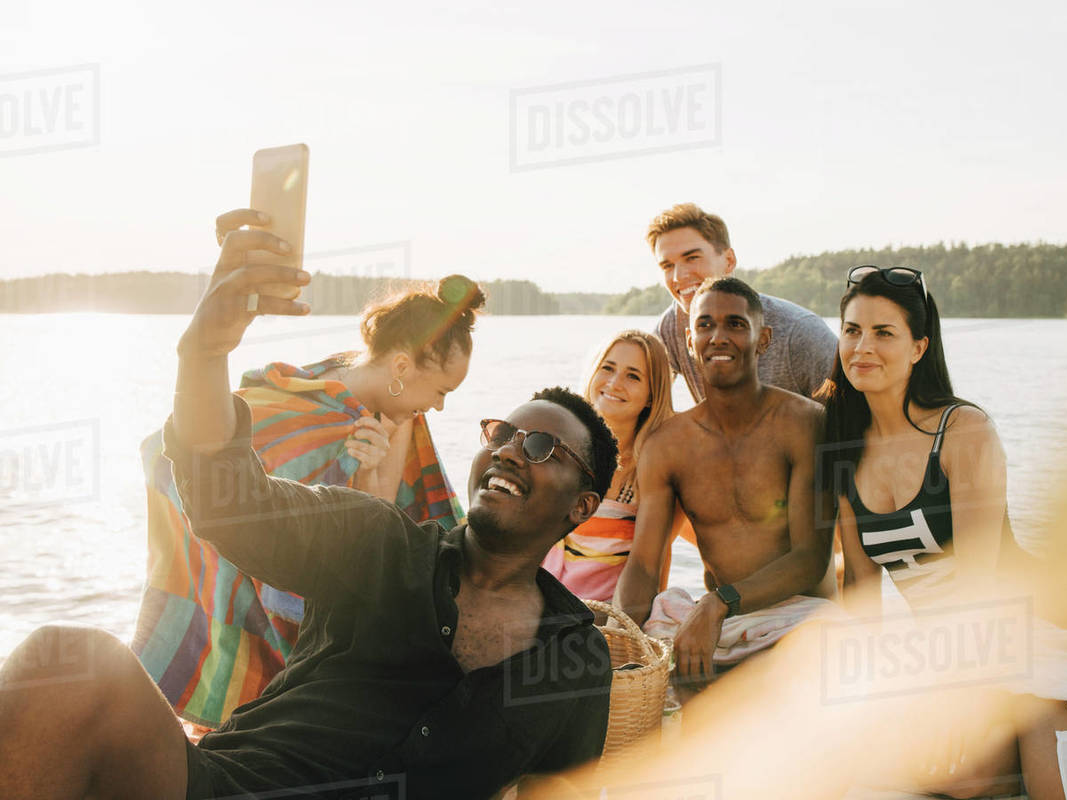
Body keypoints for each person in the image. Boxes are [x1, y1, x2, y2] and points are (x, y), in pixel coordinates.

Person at [0, 228, 617, 800]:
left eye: (540, 446)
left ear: (582, 505)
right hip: (231, 786)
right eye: (501, 431)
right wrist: (203, 354)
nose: (509, 448)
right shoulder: (377, 542)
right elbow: (229, 503)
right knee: (67, 662)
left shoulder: (575, 658)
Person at [818, 265, 1067, 797]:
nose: (863, 346)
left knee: (1039, 773)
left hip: (1033, 629)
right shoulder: (843, 445)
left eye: (885, 333)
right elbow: (860, 587)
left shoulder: (963, 431)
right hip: (942, 646)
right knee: (921, 770)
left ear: (919, 347)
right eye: (853, 330)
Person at [134, 208, 479, 731]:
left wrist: (361, 471)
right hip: (242, 560)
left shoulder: (400, 416)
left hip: (318, 576)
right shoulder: (311, 391)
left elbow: (378, 532)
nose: (439, 407)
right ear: (403, 367)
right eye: (442, 391)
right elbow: (179, 449)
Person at [615, 277, 838, 693]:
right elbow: (645, 564)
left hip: (797, 617)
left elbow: (811, 557)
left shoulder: (804, 423)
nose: (719, 337)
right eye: (705, 325)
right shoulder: (668, 444)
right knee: (663, 627)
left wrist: (720, 603)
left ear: (763, 339)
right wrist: (624, 638)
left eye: (736, 324)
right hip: (717, 623)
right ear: (689, 339)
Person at [542, 329, 681, 602]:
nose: (614, 383)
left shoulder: (657, 471)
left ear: (652, 395)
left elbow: (653, 568)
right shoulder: (555, 447)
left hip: (604, 619)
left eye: (633, 376)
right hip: (537, 603)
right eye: (608, 368)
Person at [647, 202, 836, 401]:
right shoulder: (670, 328)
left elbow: (853, 416)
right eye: (667, 266)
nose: (678, 276)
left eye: (692, 258)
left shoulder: (799, 331)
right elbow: (638, 403)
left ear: (729, 261)